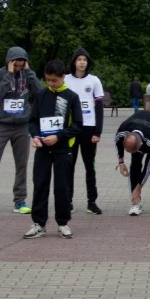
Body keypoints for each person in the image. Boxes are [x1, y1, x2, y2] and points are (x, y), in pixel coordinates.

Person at [0, 46, 42, 215]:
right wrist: (10, 74)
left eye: (21, 65)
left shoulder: (27, 75)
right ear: (9, 62)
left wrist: (29, 71)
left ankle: (20, 201)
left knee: (22, 164)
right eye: (15, 65)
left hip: (22, 126)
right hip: (1, 125)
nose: (18, 68)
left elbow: (40, 92)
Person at [24, 59, 83, 239]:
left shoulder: (72, 97)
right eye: (48, 80)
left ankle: (63, 223)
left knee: (62, 187)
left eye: (54, 80)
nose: (51, 84)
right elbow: (33, 121)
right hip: (42, 149)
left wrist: (58, 136)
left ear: (63, 77)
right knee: (40, 185)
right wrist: (35, 136)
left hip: (63, 149)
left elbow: (78, 125)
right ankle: (39, 224)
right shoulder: (41, 95)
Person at [64, 47, 105, 215]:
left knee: (90, 166)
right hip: (71, 129)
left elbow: (99, 108)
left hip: (89, 129)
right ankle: (68, 201)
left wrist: (98, 132)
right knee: (68, 166)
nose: (82, 62)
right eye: (79, 59)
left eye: (85, 60)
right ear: (74, 61)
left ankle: (92, 202)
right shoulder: (65, 79)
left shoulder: (94, 81)